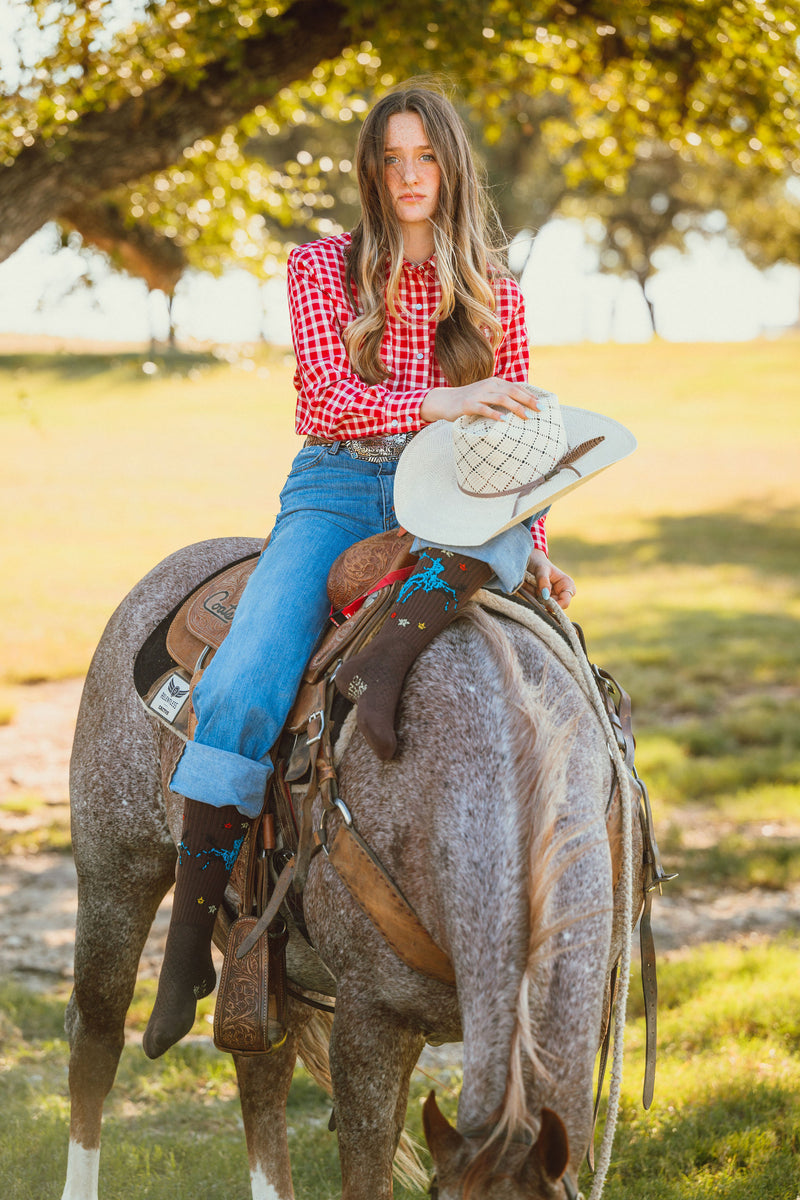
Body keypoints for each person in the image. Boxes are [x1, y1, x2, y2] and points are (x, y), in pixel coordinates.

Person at [143, 82, 581, 1060]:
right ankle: (188, 944)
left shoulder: (495, 294)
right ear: (370, 171)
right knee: (249, 678)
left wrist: (538, 557)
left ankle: (385, 677)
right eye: (391, 159)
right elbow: (328, 400)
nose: (409, 177)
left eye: (425, 157)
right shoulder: (321, 270)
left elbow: (513, 455)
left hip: (458, 491)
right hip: (338, 485)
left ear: (451, 166)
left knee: (513, 564)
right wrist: (455, 395)